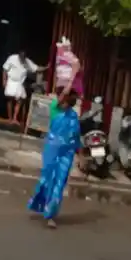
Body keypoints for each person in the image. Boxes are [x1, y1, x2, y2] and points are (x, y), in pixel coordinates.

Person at [28, 88, 82, 228]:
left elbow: (76, 137)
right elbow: (61, 98)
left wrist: (81, 156)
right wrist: (70, 81)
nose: (63, 102)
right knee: (48, 179)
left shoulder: (73, 116)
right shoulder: (55, 109)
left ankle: (50, 215)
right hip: (52, 150)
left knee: (59, 183)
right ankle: (40, 204)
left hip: (66, 154)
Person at [2, 50, 47, 123]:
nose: (22, 58)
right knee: (10, 99)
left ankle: (15, 118)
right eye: (21, 56)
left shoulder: (27, 62)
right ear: (19, 55)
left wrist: (47, 67)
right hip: (11, 81)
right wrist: (4, 80)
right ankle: (10, 118)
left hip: (19, 83)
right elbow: (5, 69)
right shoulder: (12, 58)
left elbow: (37, 68)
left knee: (20, 100)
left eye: (24, 56)